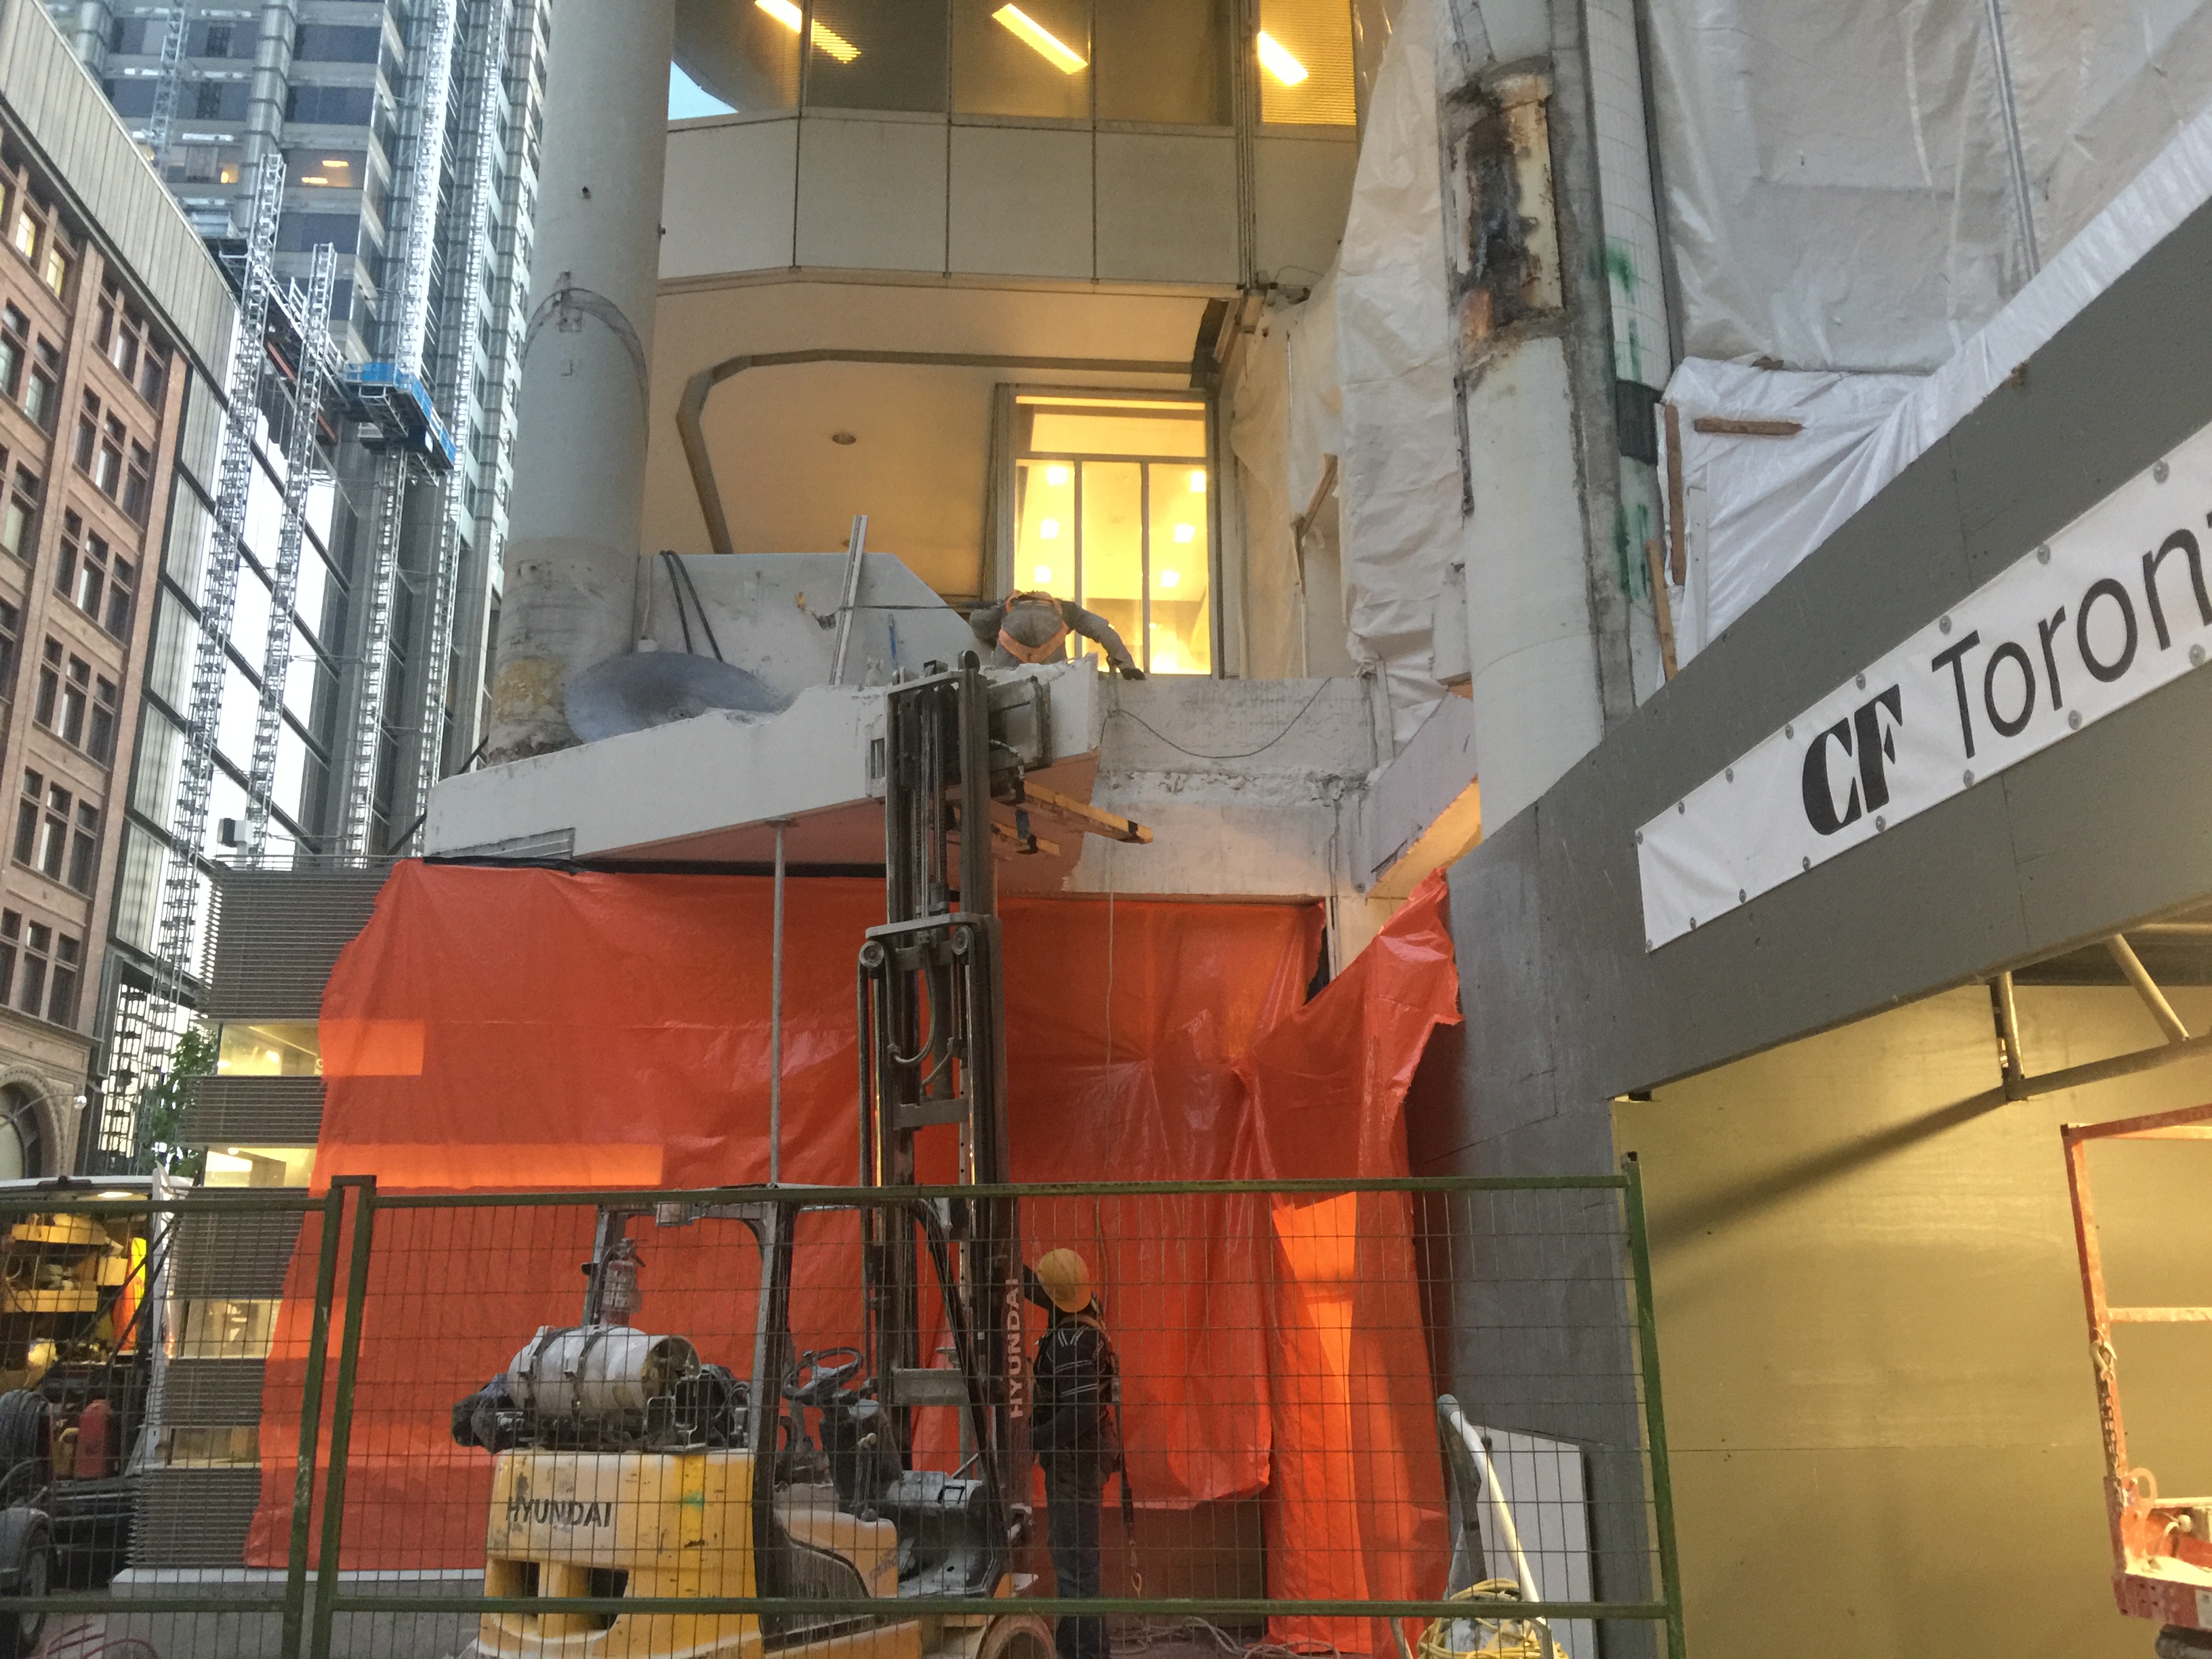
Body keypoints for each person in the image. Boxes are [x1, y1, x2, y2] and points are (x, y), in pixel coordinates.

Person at [1027, 1248, 1124, 1659]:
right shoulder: (1088, 1317)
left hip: (1075, 1462)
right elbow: (1046, 1290)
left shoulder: (1068, 1341)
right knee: (1078, 1564)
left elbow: (1082, 1411)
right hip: (1086, 1458)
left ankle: (1083, 1654)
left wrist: (1033, 1439)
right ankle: (1077, 1650)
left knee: (1075, 1568)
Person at [970, 590, 1147, 678]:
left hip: (1009, 671)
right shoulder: (1066, 610)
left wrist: (996, 613)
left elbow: (978, 624)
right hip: (1051, 673)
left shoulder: (1008, 607)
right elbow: (1102, 629)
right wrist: (1127, 666)